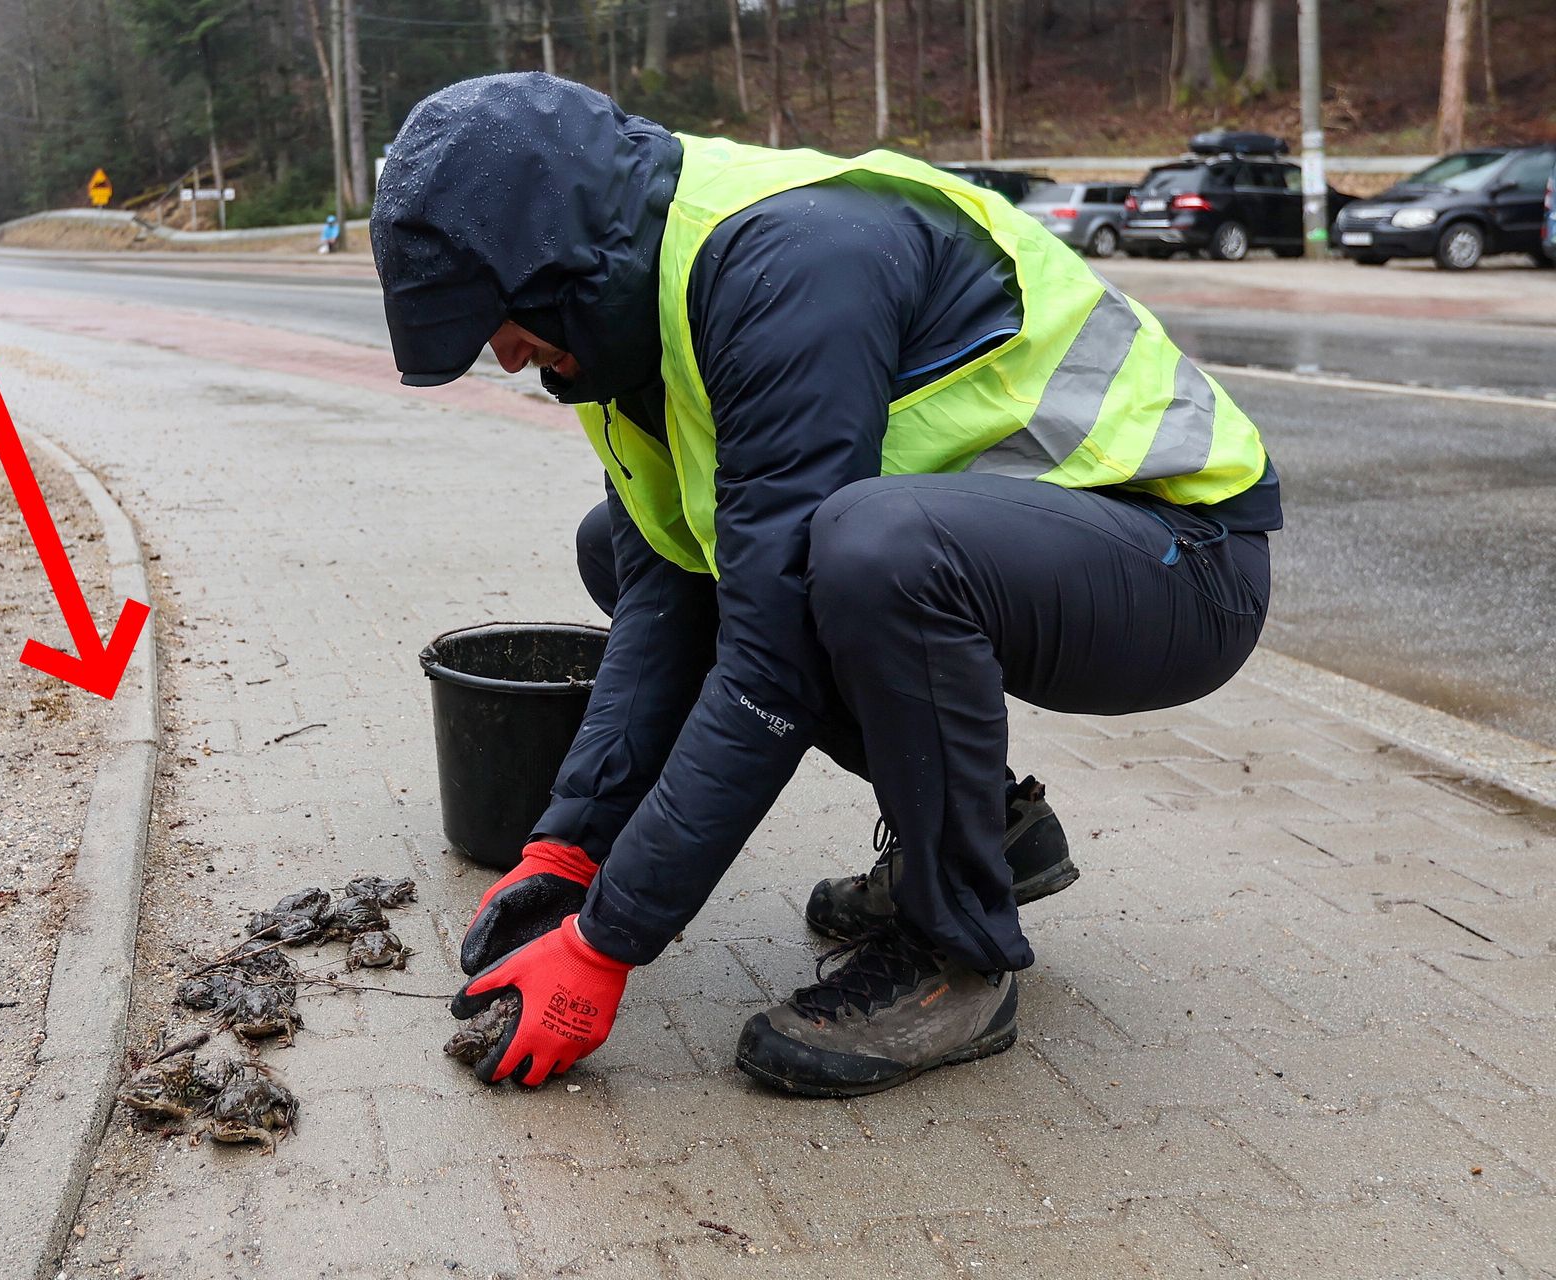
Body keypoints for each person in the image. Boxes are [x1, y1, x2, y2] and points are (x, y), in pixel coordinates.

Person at [372, 74, 1279, 1097]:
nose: (502, 355)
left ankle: (958, 958)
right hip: (1036, 556)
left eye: (499, 319)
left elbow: (773, 658)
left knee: (866, 551)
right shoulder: (612, 330)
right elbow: (674, 594)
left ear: (554, 258)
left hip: (1180, 554)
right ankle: (992, 838)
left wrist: (609, 941)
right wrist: (568, 850)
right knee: (623, 547)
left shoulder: (786, 267)